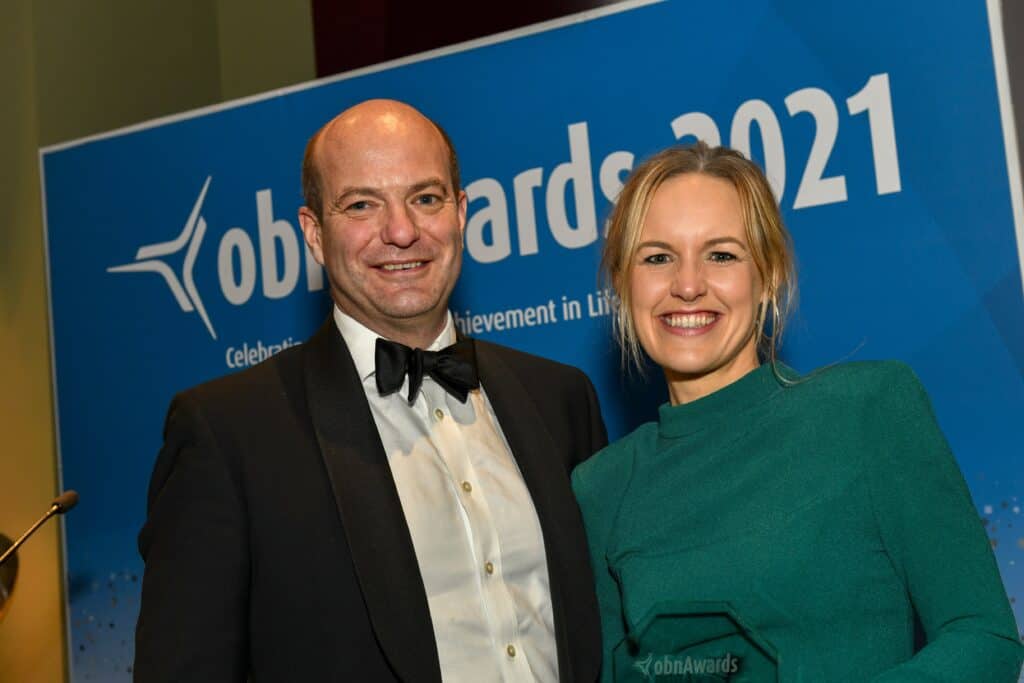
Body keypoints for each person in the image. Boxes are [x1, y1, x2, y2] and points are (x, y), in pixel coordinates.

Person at [135, 99, 607, 682]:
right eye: (361, 204)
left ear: (461, 213)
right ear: (313, 232)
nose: (402, 231)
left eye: (426, 199)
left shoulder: (560, 399)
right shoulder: (228, 434)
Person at [571, 142, 1023, 682]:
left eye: (720, 254)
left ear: (768, 277)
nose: (687, 285)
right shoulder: (600, 487)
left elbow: (983, 636)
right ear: (624, 284)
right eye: (657, 257)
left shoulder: (867, 412)